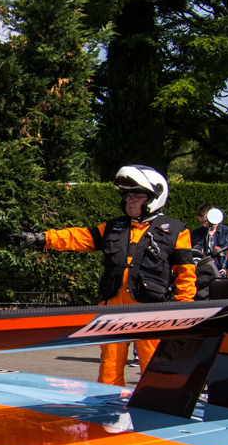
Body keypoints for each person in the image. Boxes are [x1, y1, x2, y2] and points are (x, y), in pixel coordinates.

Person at [15, 164, 196, 385]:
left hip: (151, 310)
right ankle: (108, 409)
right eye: (128, 196)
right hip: (113, 307)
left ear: (153, 197)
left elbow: (185, 274)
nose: (130, 201)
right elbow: (78, 236)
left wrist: (183, 311)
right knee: (110, 368)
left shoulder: (176, 230)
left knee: (154, 367)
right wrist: (42, 238)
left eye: (137, 196)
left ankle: (160, 408)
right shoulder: (114, 227)